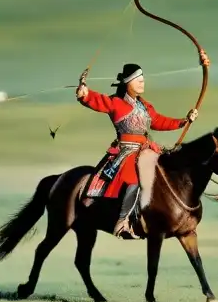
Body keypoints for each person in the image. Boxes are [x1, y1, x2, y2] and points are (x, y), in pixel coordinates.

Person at [76, 51, 210, 238]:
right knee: (134, 179)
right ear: (127, 83)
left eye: (142, 78)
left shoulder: (145, 106)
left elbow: (158, 121)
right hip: (127, 152)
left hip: (147, 149)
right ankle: (122, 222)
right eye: (137, 79)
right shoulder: (116, 103)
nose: (142, 82)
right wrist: (85, 93)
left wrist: (184, 121)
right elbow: (98, 101)